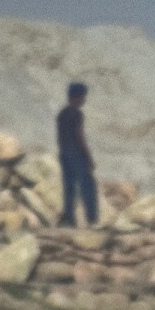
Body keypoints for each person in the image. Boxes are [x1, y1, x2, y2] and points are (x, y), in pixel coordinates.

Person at [57, 82, 98, 227]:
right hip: (76, 154)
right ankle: (92, 219)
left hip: (64, 153)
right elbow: (80, 137)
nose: (84, 100)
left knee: (69, 187)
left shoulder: (62, 113)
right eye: (82, 97)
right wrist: (89, 157)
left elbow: (60, 137)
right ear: (76, 98)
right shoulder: (77, 114)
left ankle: (70, 219)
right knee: (88, 186)